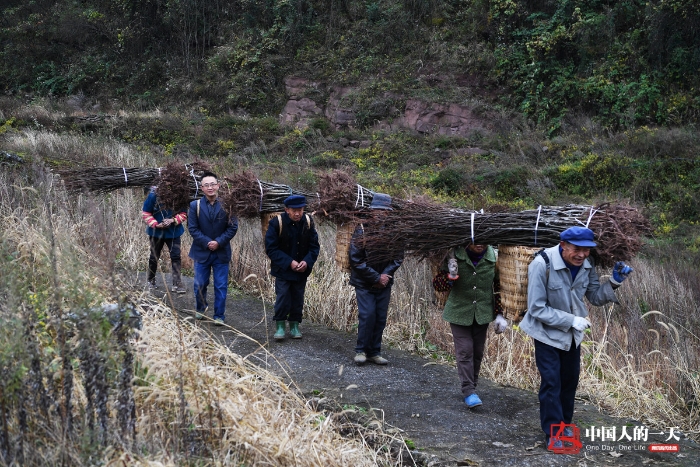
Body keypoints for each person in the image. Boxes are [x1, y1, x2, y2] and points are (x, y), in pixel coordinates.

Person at [519, 226, 633, 451]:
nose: (582, 254)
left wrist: (614, 282)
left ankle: (564, 425)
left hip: (571, 336)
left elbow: (594, 297)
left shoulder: (586, 266)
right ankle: (553, 432)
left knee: (569, 380)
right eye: (576, 249)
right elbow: (536, 308)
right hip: (546, 333)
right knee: (552, 382)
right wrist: (571, 320)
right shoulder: (542, 264)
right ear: (563, 245)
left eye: (587, 250)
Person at [438, 244, 508, 408]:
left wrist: (500, 313)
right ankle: (468, 391)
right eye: (475, 240)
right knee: (465, 351)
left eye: (484, 240)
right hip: (458, 311)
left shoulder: (494, 258)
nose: (479, 244)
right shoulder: (453, 254)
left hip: (482, 313)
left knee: (477, 352)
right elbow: (437, 285)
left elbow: (499, 286)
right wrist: (450, 276)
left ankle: (472, 387)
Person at [349, 193, 404, 365]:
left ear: (388, 212)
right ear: (372, 211)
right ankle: (361, 350)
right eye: (378, 210)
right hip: (364, 283)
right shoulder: (362, 229)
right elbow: (355, 259)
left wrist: (385, 275)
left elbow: (398, 257)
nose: (381, 214)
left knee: (380, 316)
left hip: (384, 283)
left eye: (384, 211)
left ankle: (374, 352)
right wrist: (375, 277)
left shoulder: (394, 232)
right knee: (367, 315)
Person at [264, 195, 320, 340]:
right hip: (283, 269)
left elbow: (314, 247)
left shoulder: (308, 222)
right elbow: (271, 249)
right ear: (286, 209)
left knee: (298, 297)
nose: (297, 214)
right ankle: (280, 326)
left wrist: (306, 262)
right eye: (294, 210)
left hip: (301, 270)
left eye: (300, 210)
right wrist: (290, 262)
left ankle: (295, 325)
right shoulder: (277, 223)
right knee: (282, 297)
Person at [187, 172, 238, 325]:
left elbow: (233, 227)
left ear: (218, 186)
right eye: (206, 185)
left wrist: (218, 242)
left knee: (221, 286)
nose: (210, 187)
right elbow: (192, 228)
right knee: (199, 284)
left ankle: (219, 316)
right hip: (201, 252)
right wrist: (208, 242)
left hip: (221, 253)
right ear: (202, 188)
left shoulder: (228, 204)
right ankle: (201, 308)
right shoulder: (194, 206)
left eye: (212, 184)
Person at [142, 187, 188, 293]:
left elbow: (184, 214)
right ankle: (150, 280)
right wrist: (156, 224)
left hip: (174, 232)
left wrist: (172, 220)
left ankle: (177, 283)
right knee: (154, 256)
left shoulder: (180, 196)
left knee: (176, 256)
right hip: (156, 233)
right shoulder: (153, 195)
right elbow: (146, 213)